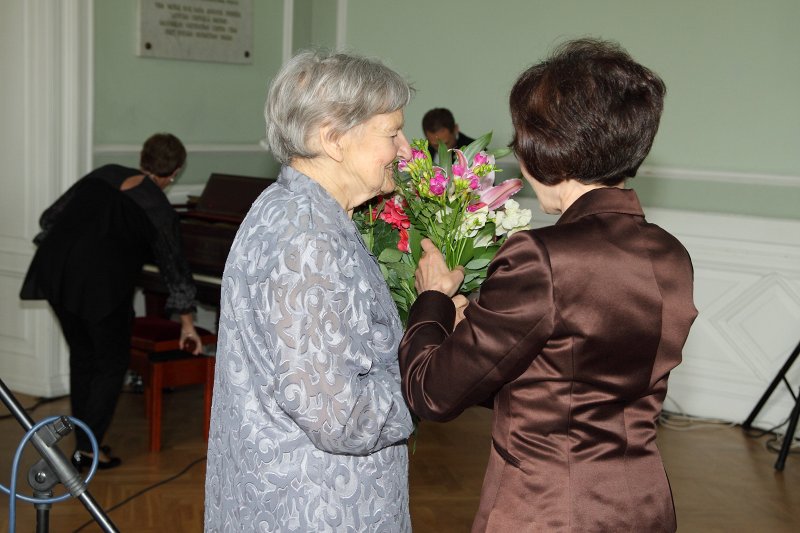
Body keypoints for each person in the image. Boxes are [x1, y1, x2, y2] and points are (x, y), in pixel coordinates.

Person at [399, 39, 698, 532]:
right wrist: (477, 334)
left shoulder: (540, 257)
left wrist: (432, 298)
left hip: (548, 510)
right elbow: (572, 379)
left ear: (545, 148)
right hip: (644, 504)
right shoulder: (670, 255)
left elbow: (430, 393)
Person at [204, 51, 416, 531]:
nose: (405, 148)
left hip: (277, 489)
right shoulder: (308, 239)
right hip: (320, 504)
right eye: (392, 132)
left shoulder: (286, 206)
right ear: (334, 138)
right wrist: (433, 373)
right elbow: (341, 417)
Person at [20, 133, 202, 470]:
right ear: (175, 172)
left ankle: (80, 440)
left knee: (84, 355)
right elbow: (175, 271)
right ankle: (88, 451)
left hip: (56, 273)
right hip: (99, 286)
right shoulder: (158, 209)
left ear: (142, 157)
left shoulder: (104, 173)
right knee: (111, 363)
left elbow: (49, 217)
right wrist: (188, 323)